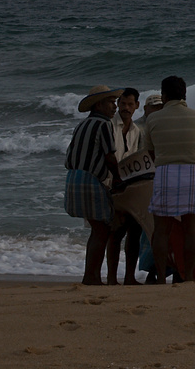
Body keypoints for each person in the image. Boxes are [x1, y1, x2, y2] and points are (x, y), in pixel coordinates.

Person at [140, 75, 195, 283]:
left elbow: (151, 152)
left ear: (164, 95)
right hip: (193, 173)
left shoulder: (153, 119)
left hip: (166, 172)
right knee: (191, 232)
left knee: (161, 231)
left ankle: (161, 278)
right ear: (184, 94)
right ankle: (188, 277)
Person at [64, 85, 123, 285]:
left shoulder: (81, 125)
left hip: (74, 177)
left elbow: (70, 156)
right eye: (111, 102)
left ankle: (91, 275)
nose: (114, 106)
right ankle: (91, 277)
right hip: (90, 179)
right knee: (102, 229)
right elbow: (110, 157)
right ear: (99, 104)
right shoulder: (104, 124)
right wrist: (117, 178)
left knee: (97, 227)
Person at [106, 88, 146, 285]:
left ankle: (129, 276)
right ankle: (112, 278)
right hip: (109, 186)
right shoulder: (109, 126)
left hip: (128, 187)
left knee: (134, 232)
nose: (126, 108)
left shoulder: (136, 131)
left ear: (137, 106)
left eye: (130, 104)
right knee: (114, 233)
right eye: (122, 104)